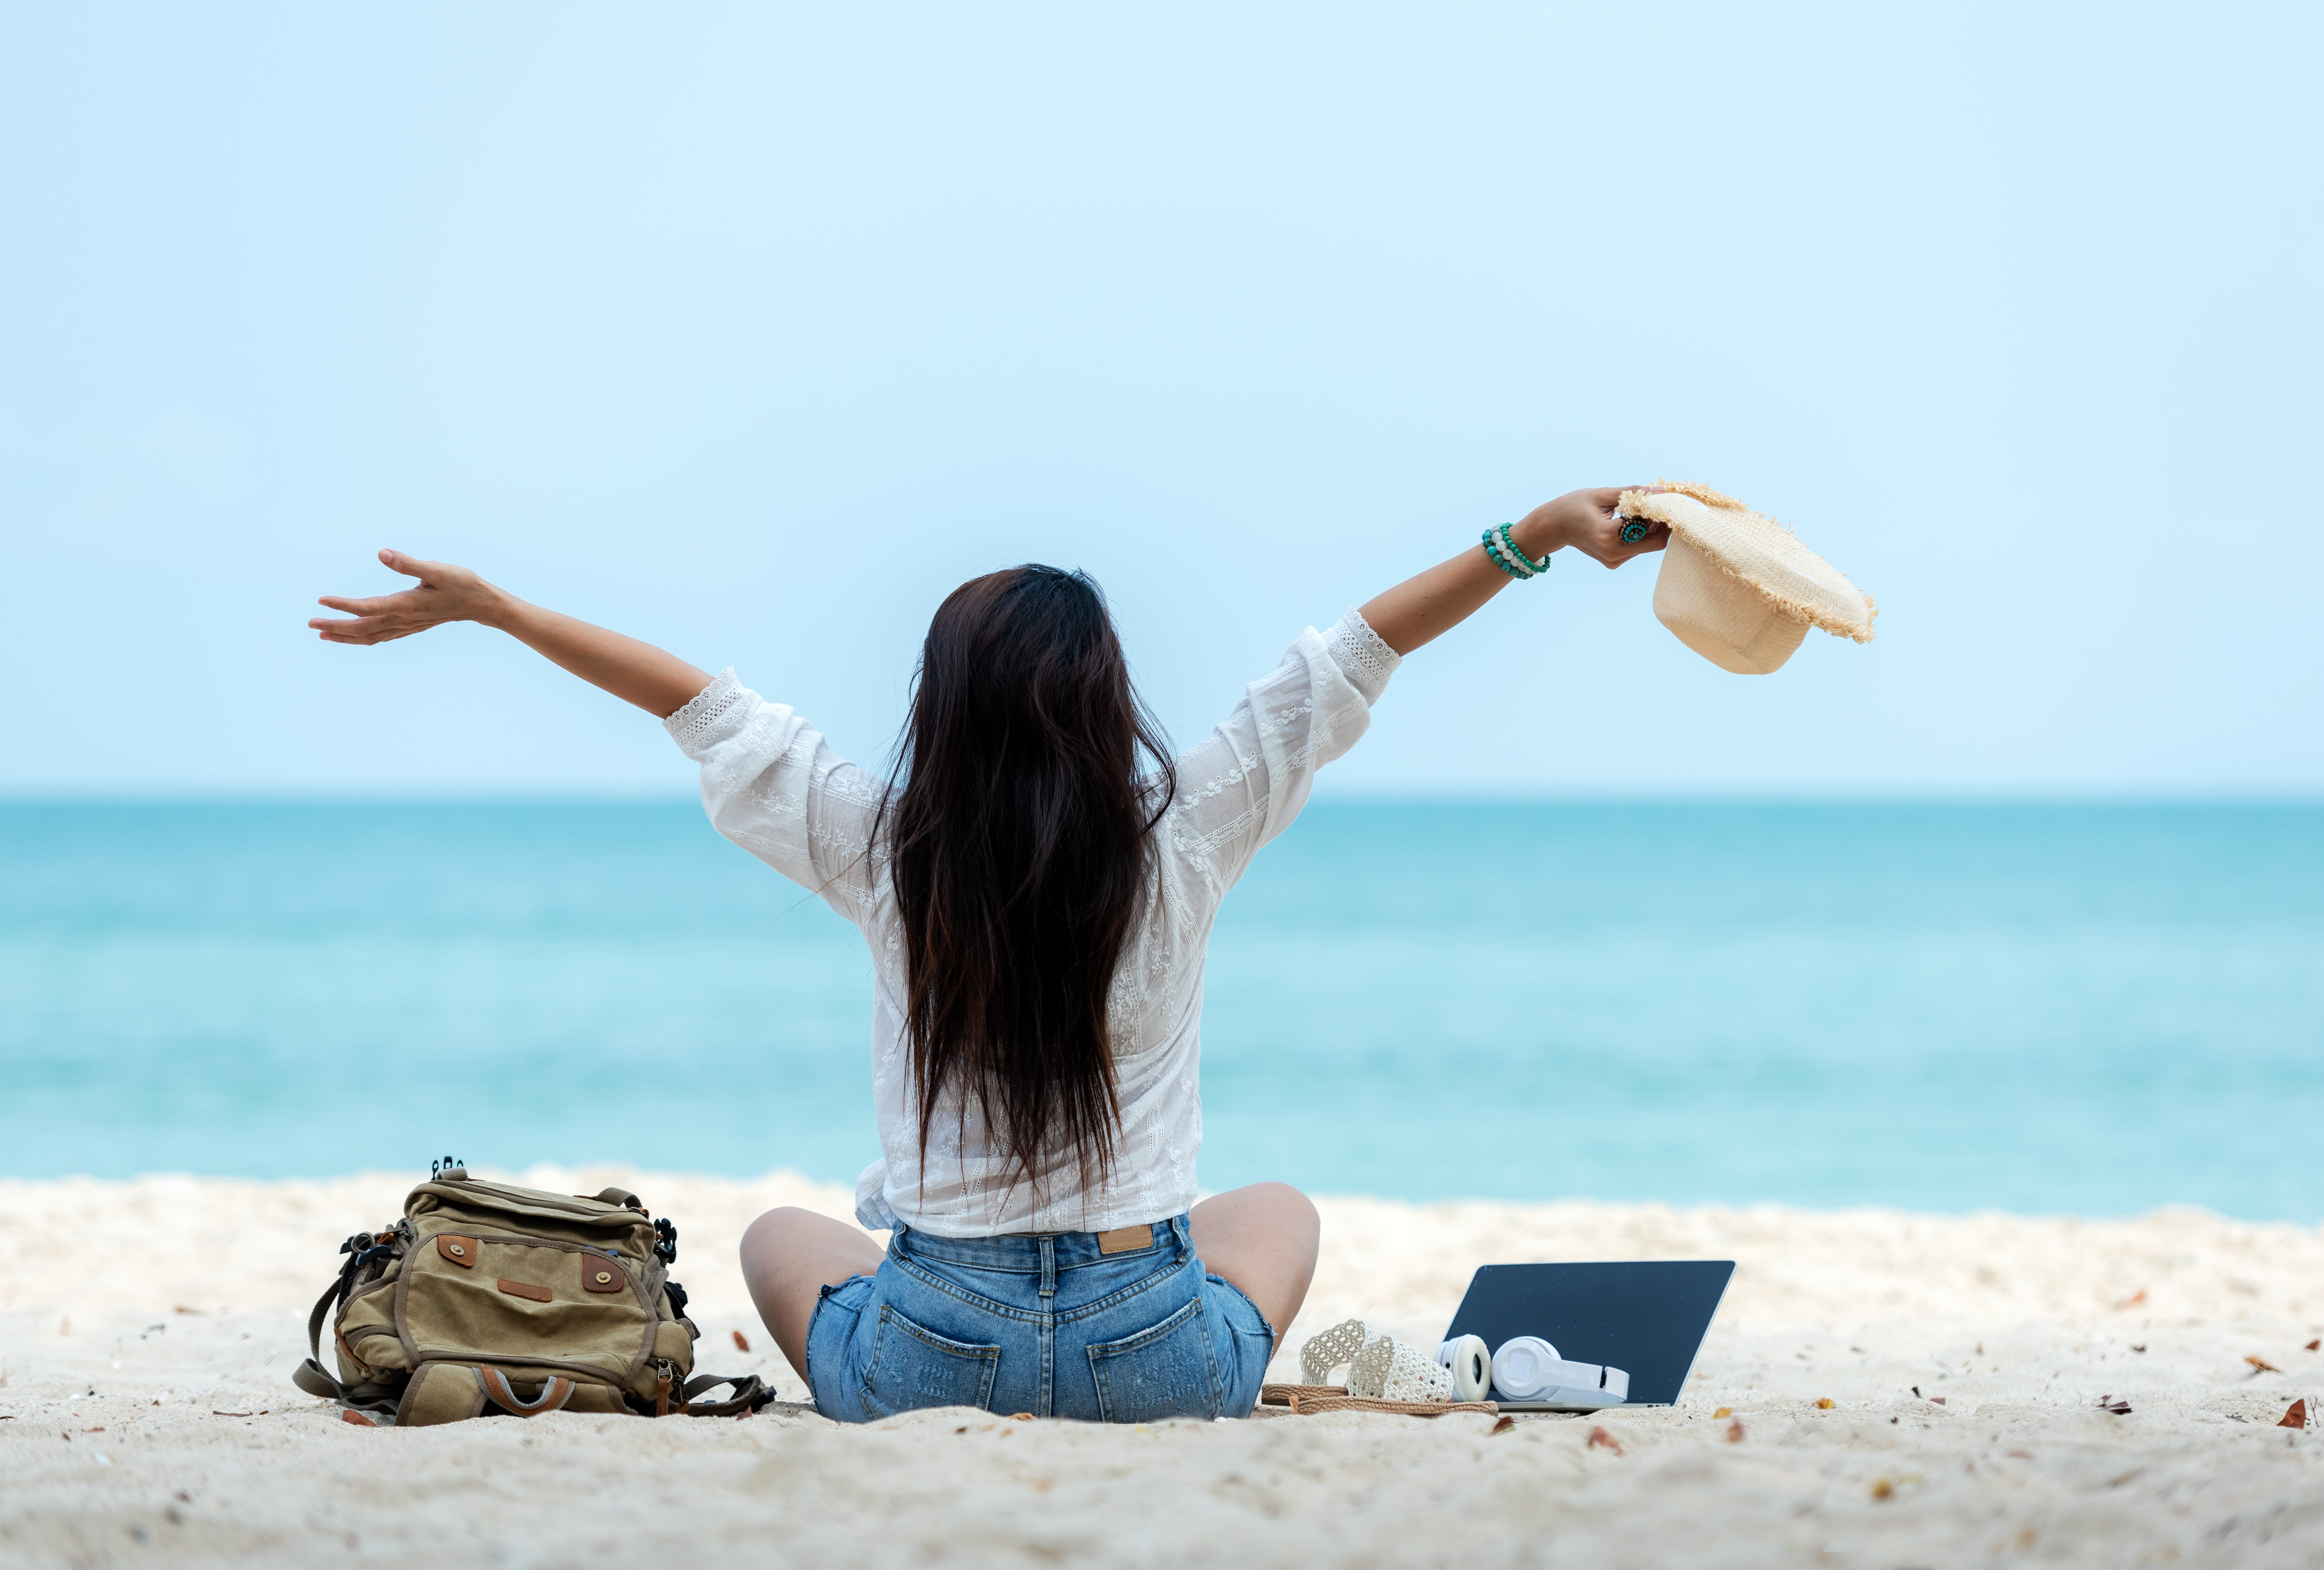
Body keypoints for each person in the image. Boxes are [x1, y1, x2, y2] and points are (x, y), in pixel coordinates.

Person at [310, 486, 1668, 1421]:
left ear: (941, 706)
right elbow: (1355, 654)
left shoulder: (885, 845)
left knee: (783, 1230)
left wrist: (500, 611)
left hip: (927, 1355)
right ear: (1108, 698)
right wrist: (1534, 531)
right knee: (1280, 1210)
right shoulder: (1190, 826)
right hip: (1159, 1354)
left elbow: (702, 703)